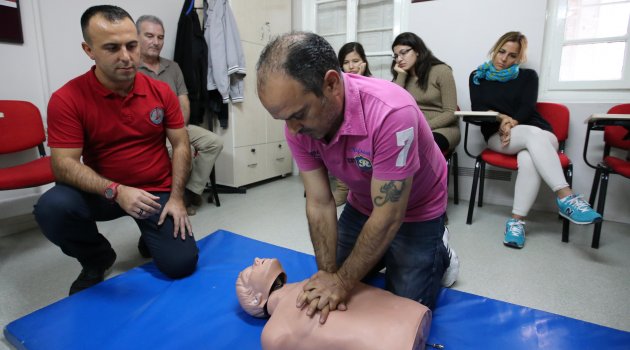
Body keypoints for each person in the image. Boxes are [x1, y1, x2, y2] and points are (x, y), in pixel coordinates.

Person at [255, 32, 453, 324]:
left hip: (417, 209)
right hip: (362, 203)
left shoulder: (392, 112)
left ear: (331, 84)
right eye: (284, 119)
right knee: (332, 273)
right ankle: (386, 253)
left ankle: (440, 251)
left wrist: (342, 282)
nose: (292, 130)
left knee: (403, 312)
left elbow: (389, 215)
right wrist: (327, 273)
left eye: (298, 114)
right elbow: (320, 202)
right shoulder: (296, 125)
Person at [33, 5, 198, 295]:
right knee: (52, 207)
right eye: (112, 48)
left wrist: (177, 198)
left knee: (181, 264)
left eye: (131, 45)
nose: (126, 57)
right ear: (89, 50)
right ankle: (97, 258)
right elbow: (63, 165)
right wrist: (117, 191)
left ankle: (151, 233)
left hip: (155, 189)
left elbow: (181, 143)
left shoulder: (161, 91)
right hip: (104, 193)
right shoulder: (67, 98)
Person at [469, 31, 602, 249]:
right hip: (498, 136)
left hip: (539, 132)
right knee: (530, 148)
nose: (504, 59)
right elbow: (478, 109)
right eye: (501, 52)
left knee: (531, 147)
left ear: (519, 58)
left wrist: (513, 122)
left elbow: (527, 107)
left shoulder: (528, 76)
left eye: (512, 56)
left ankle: (517, 222)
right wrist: (502, 118)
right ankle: (566, 198)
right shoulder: (478, 76)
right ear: (495, 49)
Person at [236, 258, 432, 350]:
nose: (256, 259)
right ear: (256, 299)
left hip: (410, 316)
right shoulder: (273, 334)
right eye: (250, 271)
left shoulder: (315, 280)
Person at [136, 15, 224, 216]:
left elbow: (183, 99)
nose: (156, 42)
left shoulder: (173, 67)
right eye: (149, 36)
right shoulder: (131, 69)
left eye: (160, 37)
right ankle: (175, 197)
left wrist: (181, 128)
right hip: (151, 133)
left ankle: (192, 190)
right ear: (137, 37)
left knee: (214, 142)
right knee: (183, 152)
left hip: (177, 126)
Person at [391, 32, 460, 154]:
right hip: (411, 129)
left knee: (416, 147)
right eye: (396, 56)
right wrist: (401, 75)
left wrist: (422, 127)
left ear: (417, 50)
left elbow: (450, 113)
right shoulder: (401, 76)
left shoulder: (441, 71)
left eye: (403, 53)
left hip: (443, 128)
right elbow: (394, 106)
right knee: (385, 145)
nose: (399, 59)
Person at [331, 42, 373, 207]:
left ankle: (362, 190)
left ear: (363, 62)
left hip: (368, 130)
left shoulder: (371, 83)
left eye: (355, 61)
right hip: (346, 130)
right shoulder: (337, 85)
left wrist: (359, 79)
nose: (351, 66)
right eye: (346, 62)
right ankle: (342, 188)